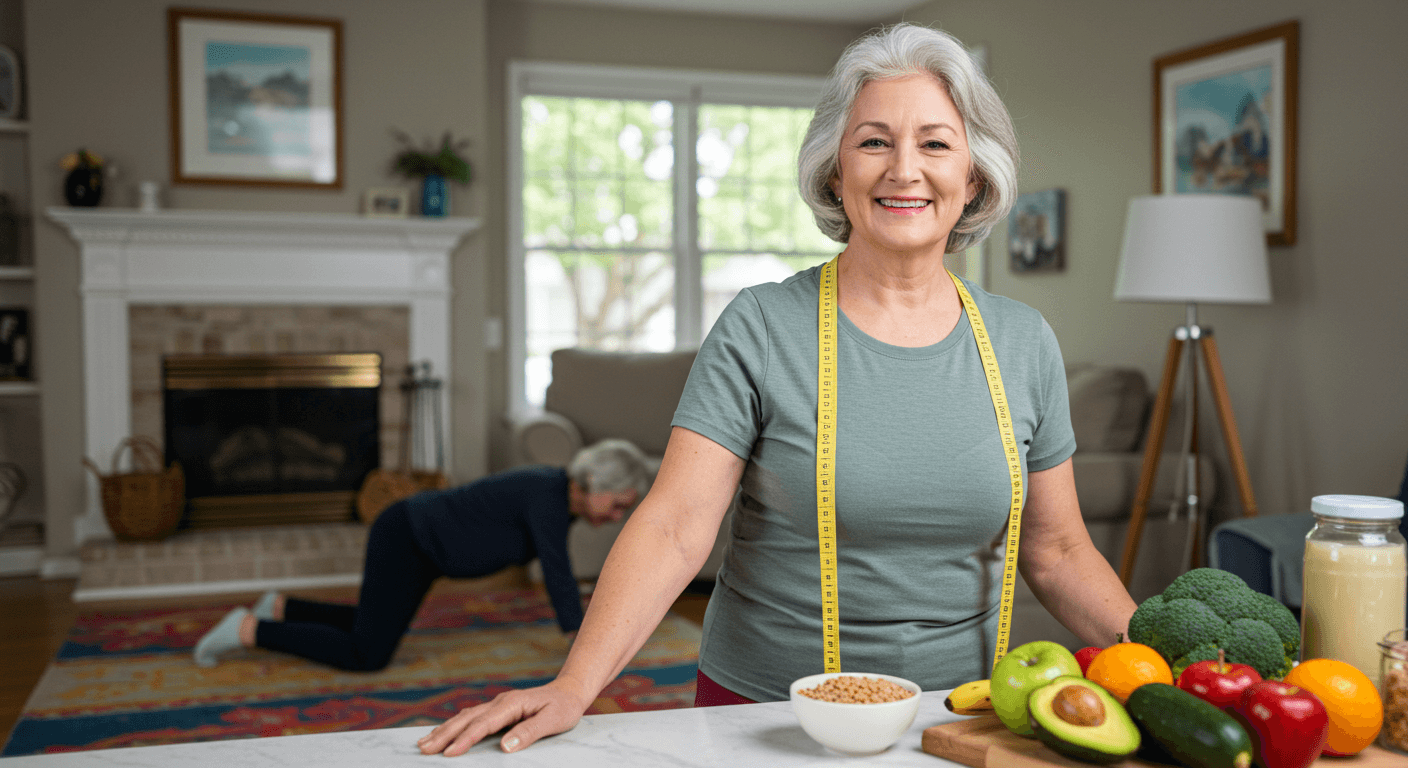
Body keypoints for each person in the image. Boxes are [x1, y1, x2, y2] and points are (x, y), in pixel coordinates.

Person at [417, 23, 1139, 756]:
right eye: (874, 141)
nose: (904, 169)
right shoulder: (762, 326)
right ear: (834, 172)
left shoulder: (1024, 341)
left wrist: (1158, 669)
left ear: (975, 177)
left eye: (935, 142)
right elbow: (675, 525)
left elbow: (1058, 551)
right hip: (766, 716)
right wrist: (573, 686)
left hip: (962, 719)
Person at [192, 438, 651, 670]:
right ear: (597, 484)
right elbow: (557, 571)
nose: (617, 517)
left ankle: (280, 607)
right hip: (407, 537)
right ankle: (250, 630)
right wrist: (582, 641)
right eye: (618, 505)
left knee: (369, 625)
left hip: (423, 549)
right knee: (367, 654)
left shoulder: (554, 498)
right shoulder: (547, 496)